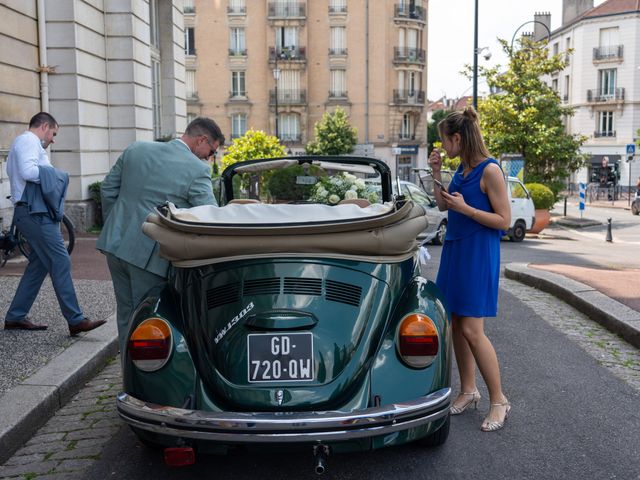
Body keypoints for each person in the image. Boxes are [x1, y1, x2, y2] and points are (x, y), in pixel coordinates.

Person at [97, 117, 225, 351]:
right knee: (149, 318)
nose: (209, 157)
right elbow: (209, 217)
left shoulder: (137, 149)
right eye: (211, 151)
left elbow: (107, 189)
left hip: (115, 246)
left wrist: (116, 226)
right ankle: (146, 381)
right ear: (201, 140)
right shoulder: (197, 170)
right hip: (150, 255)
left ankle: (128, 375)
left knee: (126, 314)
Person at [428, 107, 511, 432]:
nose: (442, 147)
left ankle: (499, 400)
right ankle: (468, 390)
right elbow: (442, 205)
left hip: (477, 253)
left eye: (443, 142)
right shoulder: (462, 170)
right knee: (455, 326)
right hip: (456, 250)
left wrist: (467, 208)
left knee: (473, 331)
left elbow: (504, 221)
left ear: (458, 138)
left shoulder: (490, 170)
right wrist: (436, 172)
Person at [4, 112, 106, 335]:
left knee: (39, 266)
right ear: (44, 126)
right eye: (53, 133)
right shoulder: (28, 141)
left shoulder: (25, 143)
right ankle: (75, 319)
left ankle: (16, 316)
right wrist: (58, 175)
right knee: (60, 260)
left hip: (29, 212)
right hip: (34, 214)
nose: (53, 139)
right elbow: (28, 172)